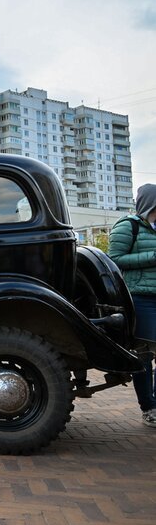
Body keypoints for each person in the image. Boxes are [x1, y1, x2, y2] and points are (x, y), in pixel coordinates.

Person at [108, 183, 156, 427]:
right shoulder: (129, 226)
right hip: (141, 298)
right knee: (144, 355)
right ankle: (149, 408)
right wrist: (153, 256)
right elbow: (114, 259)